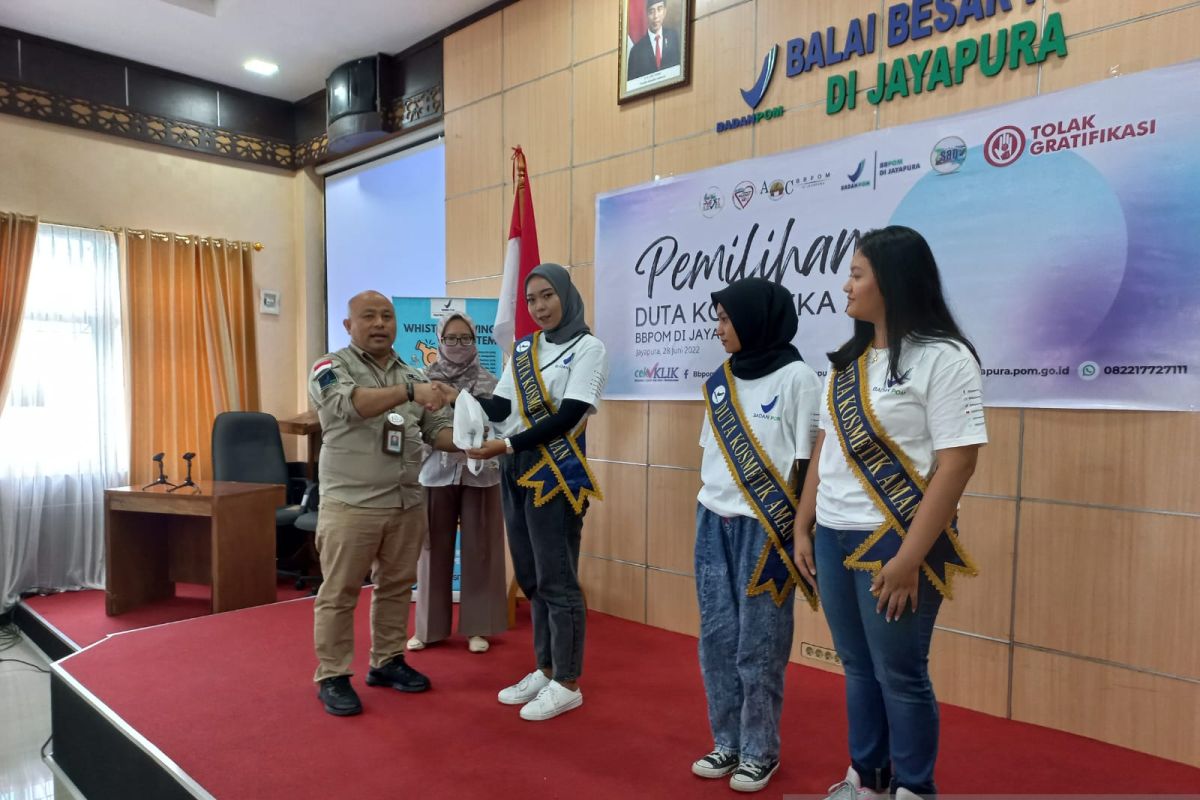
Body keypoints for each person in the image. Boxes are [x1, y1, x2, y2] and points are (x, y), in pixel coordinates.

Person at [793, 227, 987, 799]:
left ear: (893, 281)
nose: (846, 285)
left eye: (856, 273)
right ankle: (867, 777)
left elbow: (957, 466)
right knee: (855, 666)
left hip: (895, 539)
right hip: (831, 533)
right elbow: (826, 450)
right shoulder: (846, 364)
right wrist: (803, 525)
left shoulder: (946, 359)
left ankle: (914, 787)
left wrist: (908, 559)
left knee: (899, 673)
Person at [450, 263, 608, 722]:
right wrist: (461, 397)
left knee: (558, 580)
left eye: (547, 296)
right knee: (532, 577)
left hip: (555, 473)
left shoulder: (589, 349)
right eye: (532, 299)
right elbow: (503, 406)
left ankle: (568, 681)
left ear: (565, 295)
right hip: (514, 467)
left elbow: (571, 415)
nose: (539, 307)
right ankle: (545, 667)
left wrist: (509, 442)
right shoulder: (524, 348)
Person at [690, 278, 822, 794]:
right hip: (711, 520)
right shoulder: (722, 379)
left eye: (725, 319)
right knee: (717, 639)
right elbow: (711, 456)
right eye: (717, 319)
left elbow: (810, 463)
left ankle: (760, 750)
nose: (719, 330)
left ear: (754, 319)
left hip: (766, 526)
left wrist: (800, 530)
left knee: (760, 644)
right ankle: (727, 741)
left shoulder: (797, 379)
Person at [307, 290, 458, 717]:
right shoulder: (330, 367)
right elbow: (350, 405)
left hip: (406, 502)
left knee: (396, 587)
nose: (379, 324)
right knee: (339, 593)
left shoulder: (410, 373)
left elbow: (438, 432)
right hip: (351, 505)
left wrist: (482, 443)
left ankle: (387, 661)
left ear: (396, 325)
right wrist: (410, 391)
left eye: (387, 317)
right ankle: (332, 674)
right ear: (348, 325)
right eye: (368, 316)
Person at [408, 312, 508, 654]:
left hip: (482, 474)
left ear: (475, 341)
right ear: (439, 341)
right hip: (435, 472)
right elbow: (415, 427)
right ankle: (428, 628)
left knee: (482, 548)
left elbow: (502, 423)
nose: (458, 345)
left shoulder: (491, 381)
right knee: (431, 548)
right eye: (451, 338)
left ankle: (478, 627)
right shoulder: (424, 381)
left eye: (466, 338)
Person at [627, 0, 681, 81]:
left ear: (665, 12)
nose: (656, 16)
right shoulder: (636, 51)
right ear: (646, 15)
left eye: (659, 9)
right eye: (651, 11)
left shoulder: (673, 37)